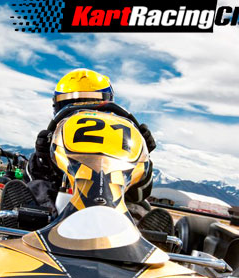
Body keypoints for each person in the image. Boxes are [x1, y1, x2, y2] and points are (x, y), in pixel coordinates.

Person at [26, 68, 156, 219]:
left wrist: (142, 153)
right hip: (65, 196)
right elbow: (34, 176)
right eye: (70, 104)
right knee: (36, 188)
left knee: (142, 206)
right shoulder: (56, 138)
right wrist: (43, 158)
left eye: (90, 103)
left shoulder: (122, 133)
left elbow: (139, 193)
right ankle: (44, 220)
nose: (81, 111)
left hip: (113, 198)